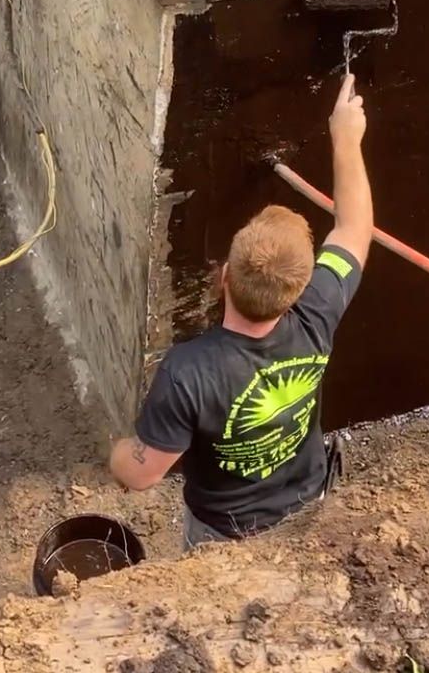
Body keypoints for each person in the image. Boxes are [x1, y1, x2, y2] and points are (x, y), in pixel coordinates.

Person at [109, 74, 373, 546]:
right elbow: (353, 228)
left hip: (223, 538)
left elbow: (141, 475)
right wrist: (347, 137)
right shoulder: (317, 311)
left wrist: (115, 454)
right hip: (309, 511)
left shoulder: (188, 372)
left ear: (223, 277)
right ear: (298, 290)